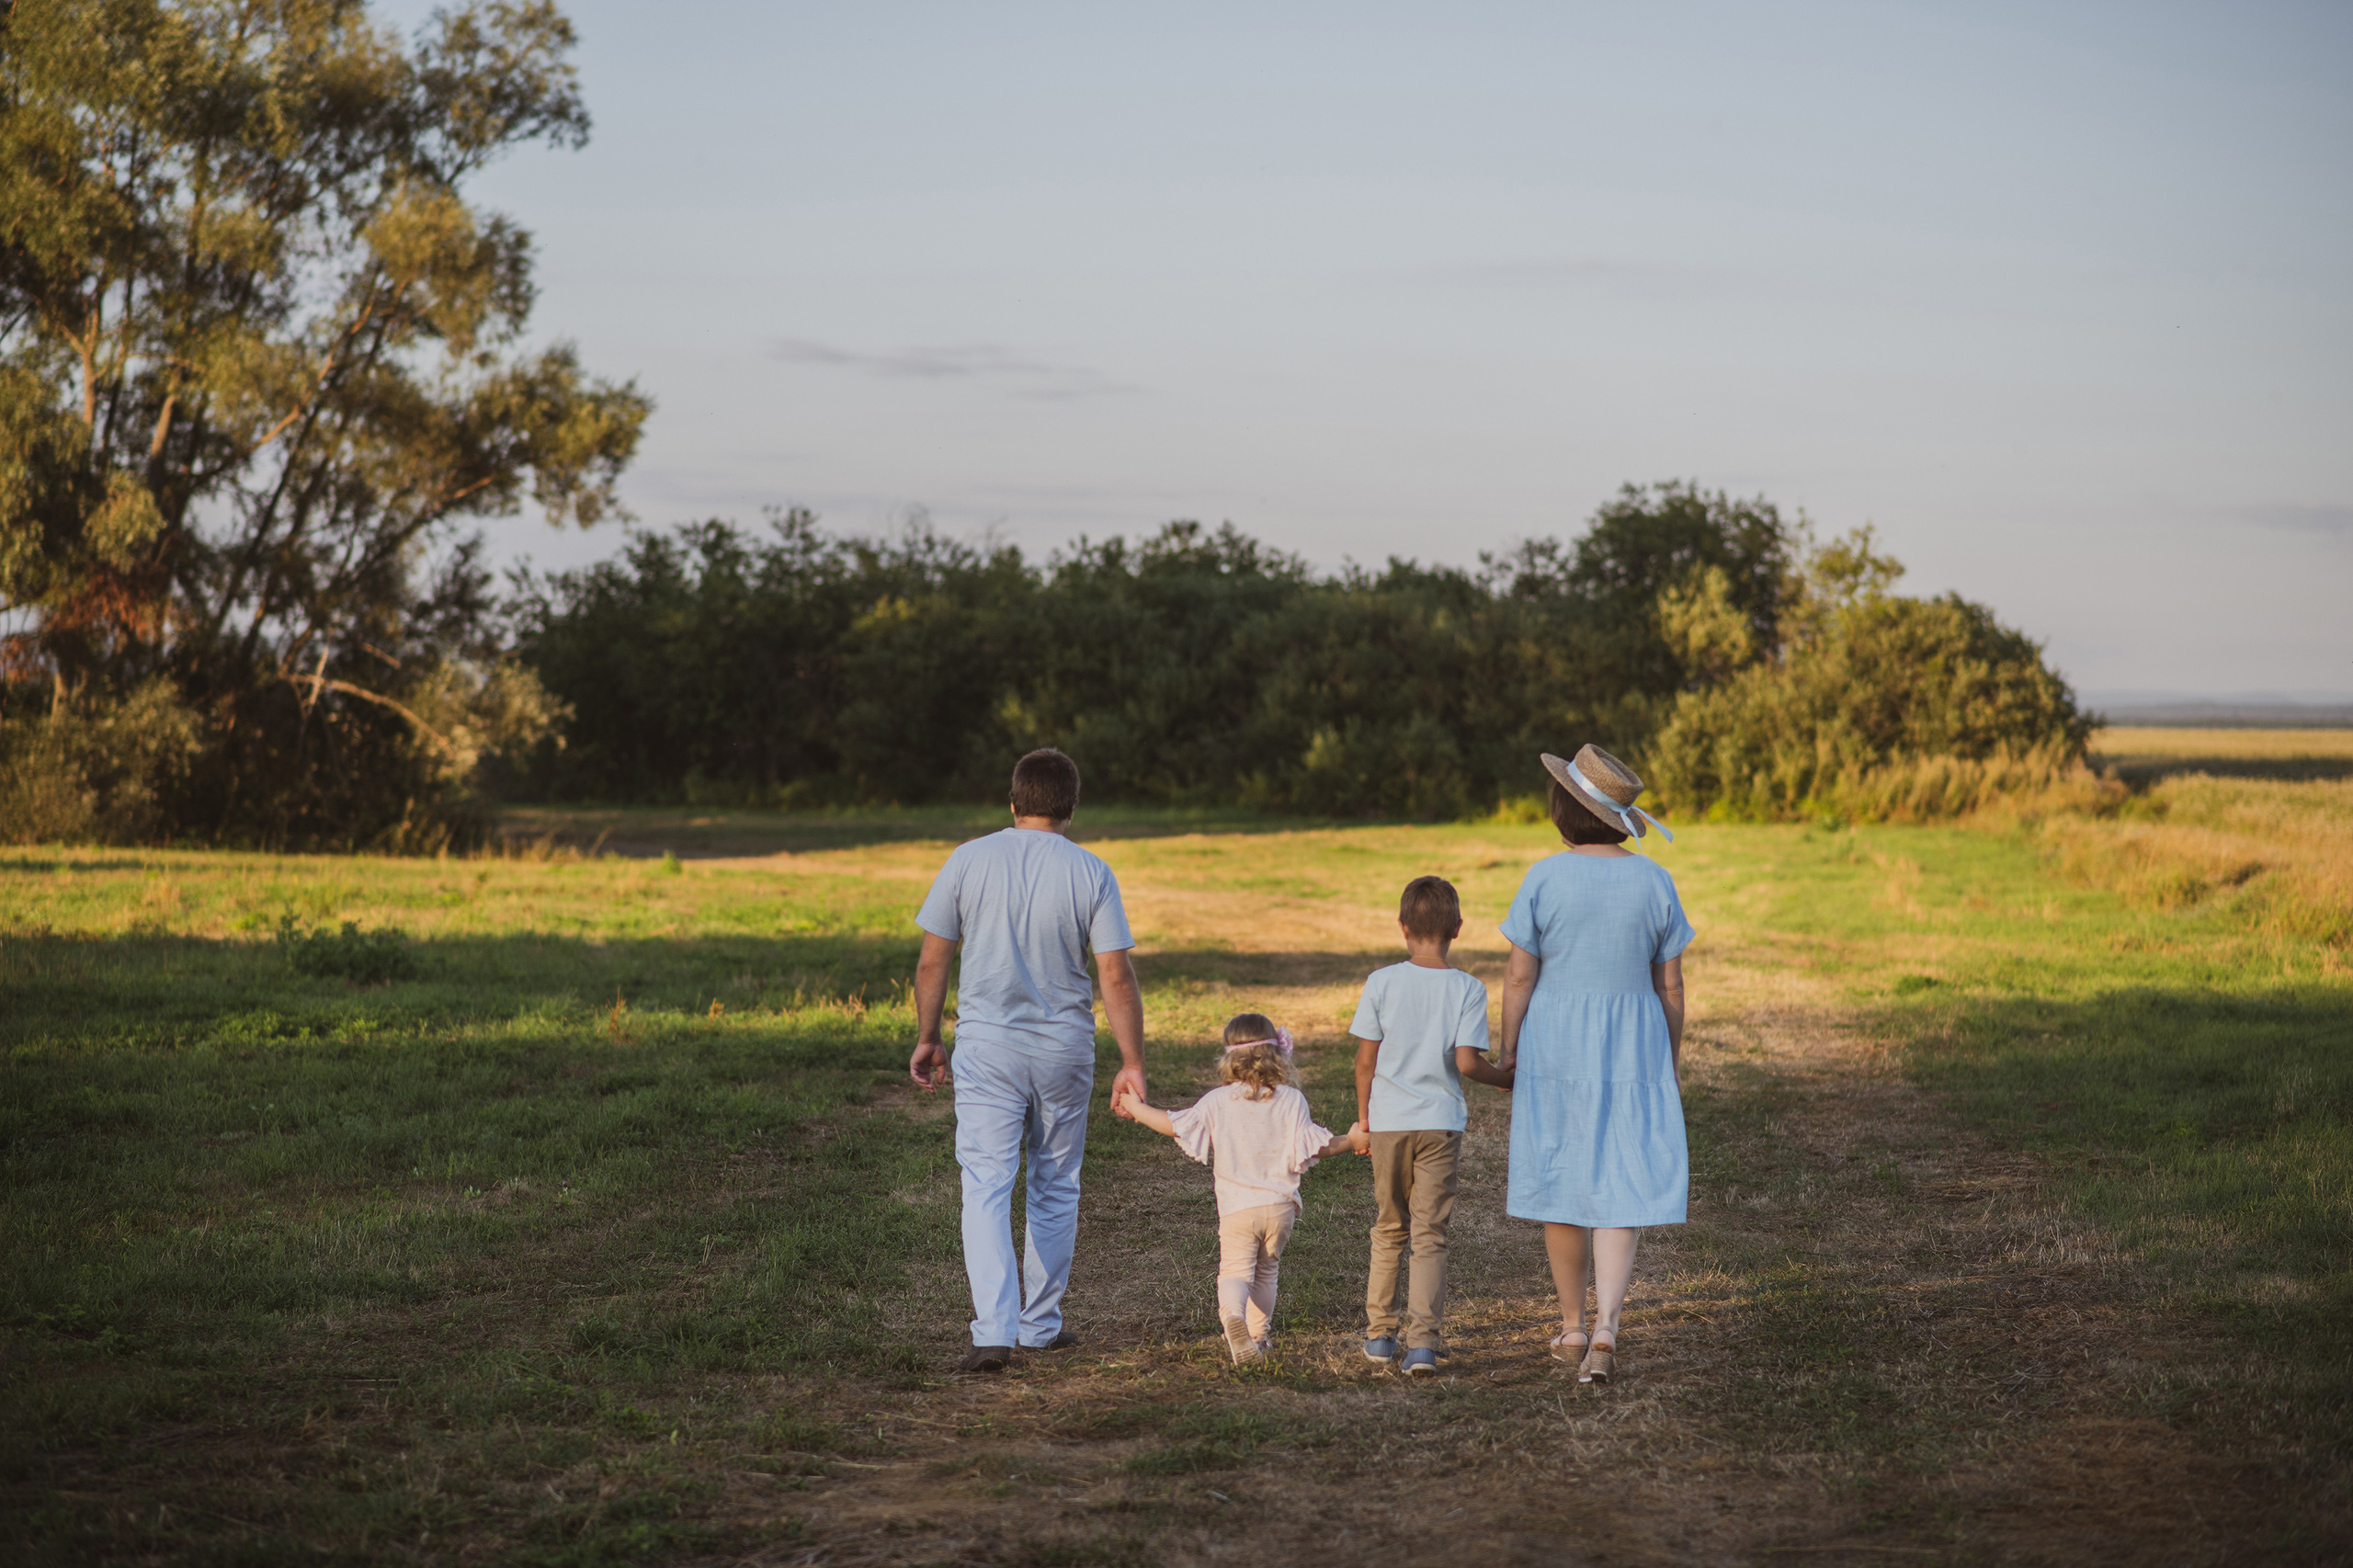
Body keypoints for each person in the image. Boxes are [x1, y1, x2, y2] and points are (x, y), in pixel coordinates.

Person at [908, 748, 1147, 1373]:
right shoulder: (1091, 871)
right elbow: (1115, 976)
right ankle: (1040, 1326)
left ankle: (993, 1329)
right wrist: (1132, 1061)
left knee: (985, 1184)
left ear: (1014, 803)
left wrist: (929, 1035)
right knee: (1055, 1182)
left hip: (987, 1046)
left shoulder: (968, 859)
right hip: (1063, 1049)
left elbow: (934, 960)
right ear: (1071, 808)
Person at [1494, 745, 1694, 1385]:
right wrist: (1670, 1054)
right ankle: (1608, 1326)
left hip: (1557, 1040)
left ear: (1565, 810)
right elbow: (1671, 987)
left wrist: (1508, 1046)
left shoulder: (1544, 878)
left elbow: (1520, 976)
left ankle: (1572, 1324)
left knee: (1563, 1177)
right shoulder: (1654, 880)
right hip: (1633, 1038)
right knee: (1623, 1177)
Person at [1112, 1015, 1367, 1364]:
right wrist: (1351, 1140)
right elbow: (1316, 1147)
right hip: (1279, 1207)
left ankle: (1233, 1317)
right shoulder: (1292, 1100)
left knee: (1235, 1271)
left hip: (1237, 1209)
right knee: (1266, 1271)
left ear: (1229, 1057)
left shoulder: (1217, 1101)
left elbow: (1173, 1125)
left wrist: (1136, 1107)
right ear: (1277, 1054)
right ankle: (1259, 1338)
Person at [1349, 876, 1515, 1375]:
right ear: (1458, 929)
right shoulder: (1467, 988)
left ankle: (1379, 1336)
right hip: (1439, 1126)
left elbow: (1364, 1061)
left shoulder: (1381, 982)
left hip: (1388, 1125)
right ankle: (1422, 1345)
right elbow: (1467, 1064)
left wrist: (1365, 1119)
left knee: (1387, 1228)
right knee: (1429, 1235)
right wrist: (1507, 1080)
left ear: (1402, 927)